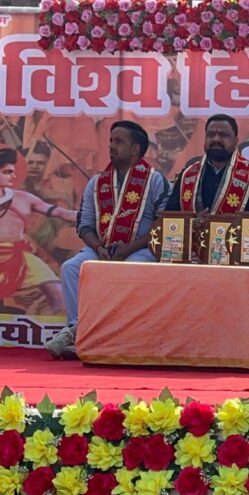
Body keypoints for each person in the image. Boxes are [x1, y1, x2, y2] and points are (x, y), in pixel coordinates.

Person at [43, 121, 170, 359]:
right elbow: (84, 224)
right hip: (102, 248)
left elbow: (162, 224)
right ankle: (80, 333)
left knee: (131, 269)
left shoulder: (155, 181)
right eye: (111, 140)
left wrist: (128, 249)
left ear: (135, 149)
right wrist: (98, 247)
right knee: (71, 268)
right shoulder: (97, 183)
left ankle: (84, 335)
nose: (111, 146)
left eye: (118, 141)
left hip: (140, 249)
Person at [0, 147, 77, 313]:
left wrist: (89, 217)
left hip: (18, 256)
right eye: (7, 172)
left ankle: (57, 326)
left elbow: (60, 213)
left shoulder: (23, 198)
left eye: (13, 172)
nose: (13, 176)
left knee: (56, 292)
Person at [165, 114, 249, 217]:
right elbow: (170, 218)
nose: (216, 139)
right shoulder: (187, 175)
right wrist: (194, 223)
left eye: (223, 135)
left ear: (236, 141)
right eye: (211, 135)